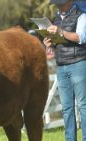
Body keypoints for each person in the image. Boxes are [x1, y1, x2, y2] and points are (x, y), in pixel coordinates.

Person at [43, 0, 86, 140]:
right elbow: (60, 43)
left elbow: (80, 37)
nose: (56, 4)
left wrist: (60, 31)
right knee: (66, 108)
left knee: (83, 106)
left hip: (78, 64)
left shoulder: (81, 15)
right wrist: (50, 43)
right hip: (61, 67)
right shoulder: (56, 19)